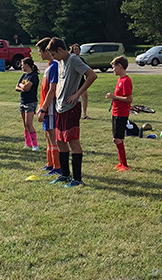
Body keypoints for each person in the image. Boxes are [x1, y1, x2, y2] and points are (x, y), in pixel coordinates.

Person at [46, 37, 97, 188]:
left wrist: (77, 94)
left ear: (60, 50)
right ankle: (65, 175)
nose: (53, 58)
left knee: (73, 141)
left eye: (54, 54)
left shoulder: (74, 59)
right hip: (60, 107)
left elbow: (92, 75)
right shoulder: (59, 62)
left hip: (71, 108)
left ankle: (77, 178)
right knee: (60, 141)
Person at [37, 37, 60, 175]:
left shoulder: (55, 66)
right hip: (44, 106)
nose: (39, 54)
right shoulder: (49, 66)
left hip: (50, 108)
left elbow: (52, 90)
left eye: (40, 51)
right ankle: (50, 163)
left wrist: (44, 108)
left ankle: (57, 166)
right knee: (47, 135)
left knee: (52, 136)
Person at [106, 56, 133, 171]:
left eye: (114, 67)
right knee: (116, 138)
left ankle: (125, 165)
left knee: (118, 139)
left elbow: (129, 99)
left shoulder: (126, 80)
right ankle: (121, 162)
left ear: (120, 66)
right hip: (116, 112)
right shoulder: (120, 80)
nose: (113, 70)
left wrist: (114, 96)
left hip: (121, 113)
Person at [15, 57, 40, 151]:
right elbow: (17, 87)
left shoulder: (33, 76)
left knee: (29, 123)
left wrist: (21, 86)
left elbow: (27, 87)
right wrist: (22, 87)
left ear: (27, 65)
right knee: (25, 124)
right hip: (23, 101)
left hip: (31, 102)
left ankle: (35, 145)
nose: (21, 66)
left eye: (22, 65)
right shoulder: (24, 75)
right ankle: (28, 143)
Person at [70, 44, 90, 119]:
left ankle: (84, 114)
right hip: (74, 81)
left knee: (85, 96)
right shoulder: (70, 59)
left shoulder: (81, 60)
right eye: (75, 49)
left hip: (81, 80)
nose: (76, 50)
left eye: (77, 49)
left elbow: (88, 71)